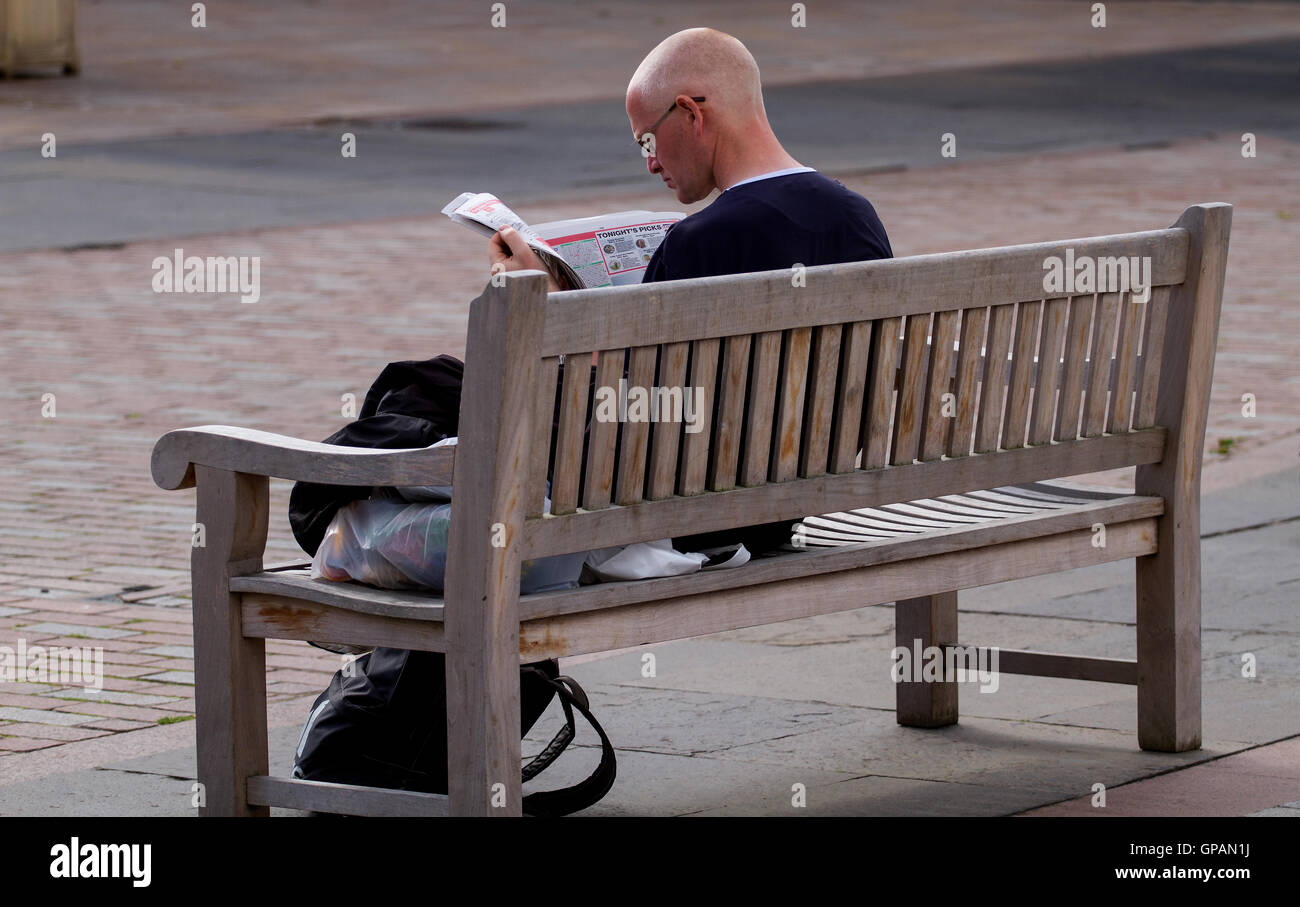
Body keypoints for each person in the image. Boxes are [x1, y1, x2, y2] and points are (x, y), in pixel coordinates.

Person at [489, 27, 893, 554]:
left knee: (427, 393)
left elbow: (626, 412)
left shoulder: (700, 243)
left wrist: (542, 301)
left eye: (648, 142)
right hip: (793, 502)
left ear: (691, 113)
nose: (651, 162)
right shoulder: (858, 218)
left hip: (686, 514)